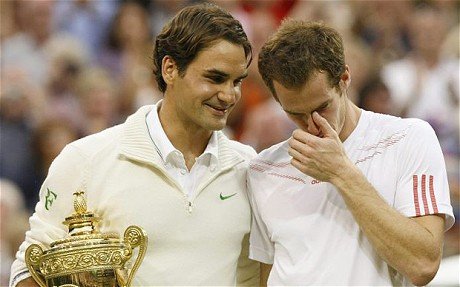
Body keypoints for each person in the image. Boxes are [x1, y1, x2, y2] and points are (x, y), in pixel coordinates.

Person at [10, 3, 259, 286]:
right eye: (215, 78)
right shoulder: (85, 160)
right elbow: (28, 270)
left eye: (237, 81)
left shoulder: (249, 167)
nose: (229, 95)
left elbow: (256, 274)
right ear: (170, 69)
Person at [248, 20, 455, 286]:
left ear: (344, 79)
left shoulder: (408, 139)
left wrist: (341, 172)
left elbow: (423, 264)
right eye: (294, 113)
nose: (311, 124)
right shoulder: (263, 169)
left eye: (322, 107)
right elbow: (267, 272)